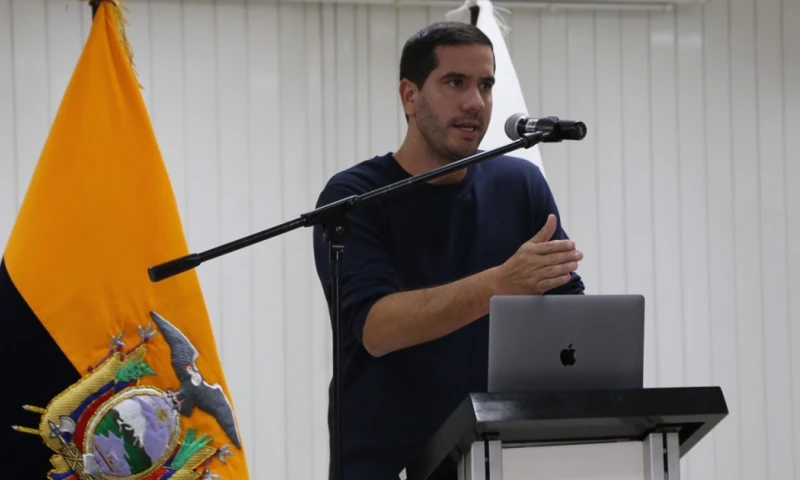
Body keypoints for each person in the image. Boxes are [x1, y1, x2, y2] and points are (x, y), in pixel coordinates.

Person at [312, 21, 585, 480]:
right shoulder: (353, 197)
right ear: (409, 96)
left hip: (500, 454)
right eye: (455, 83)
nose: (474, 102)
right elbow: (377, 328)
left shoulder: (520, 185)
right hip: (389, 460)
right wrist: (500, 284)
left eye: (485, 85)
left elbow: (566, 315)